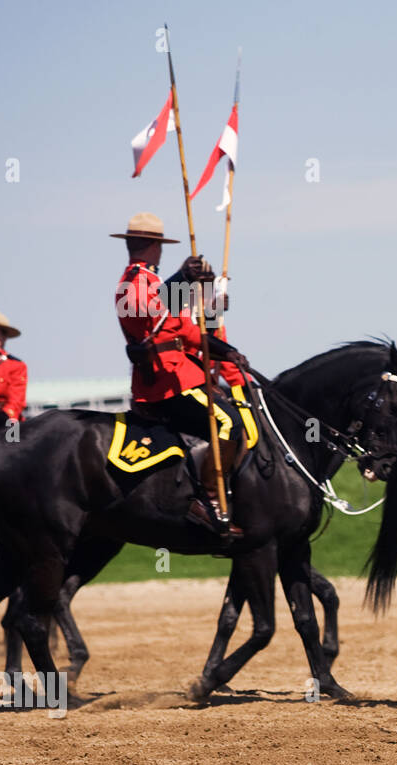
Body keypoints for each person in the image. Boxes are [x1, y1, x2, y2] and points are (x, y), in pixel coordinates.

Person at [112, 212, 247, 537]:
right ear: (154, 246)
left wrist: (228, 351)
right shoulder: (133, 281)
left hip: (181, 375)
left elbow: (187, 331)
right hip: (164, 381)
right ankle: (208, 502)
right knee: (229, 422)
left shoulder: (152, 282)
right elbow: (147, 310)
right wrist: (181, 278)